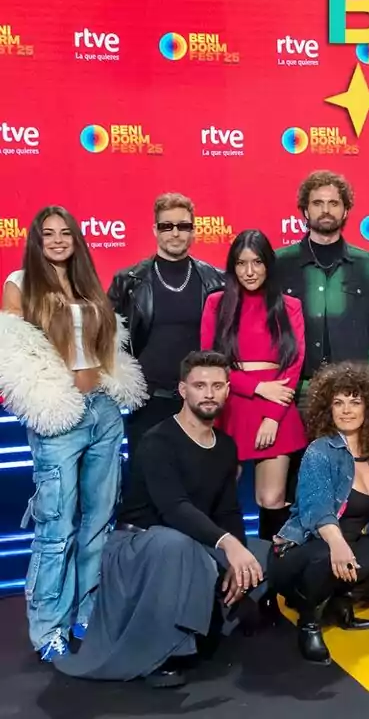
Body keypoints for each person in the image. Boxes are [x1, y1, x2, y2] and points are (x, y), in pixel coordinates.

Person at [55, 351, 270, 688]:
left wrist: (237, 557)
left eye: (217, 386)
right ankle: (160, 654)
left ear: (228, 390)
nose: (209, 393)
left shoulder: (226, 445)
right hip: (141, 546)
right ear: (183, 390)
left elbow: (228, 511)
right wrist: (227, 545)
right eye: (200, 385)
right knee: (177, 544)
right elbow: (174, 509)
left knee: (262, 554)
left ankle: (211, 614)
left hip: (193, 543)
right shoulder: (157, 441)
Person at [0, 206, 147, 661]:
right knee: (56, 528)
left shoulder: (87, 282)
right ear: (36, 239)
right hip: (58, 415)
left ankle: (89, 612)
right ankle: (48, 628)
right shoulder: (20, 283)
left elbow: (106, 346)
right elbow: (14, 351)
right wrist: (48, 397)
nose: (59, 240)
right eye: (49, 234)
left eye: (66, 233)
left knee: (98, 521)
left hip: (103, 411)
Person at [271, 362, 369, 665]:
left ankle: (340, 600)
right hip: (300, 553)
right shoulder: (320, 450)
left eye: (355, 402)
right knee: (324, 555)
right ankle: (310, 622)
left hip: (344, 550)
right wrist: (338, 544)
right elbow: (316, 510)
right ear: (327, 408)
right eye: (338, 403)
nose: (346, 410)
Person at [201, 229, 307, 545]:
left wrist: (273, 416)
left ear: (268, 265)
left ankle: (276, 584)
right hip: (231, 404)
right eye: (241, 263)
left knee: (272, 497)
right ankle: (228, 575)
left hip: (278, 406)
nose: (249, 271)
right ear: (232, 266)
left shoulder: (289, 306)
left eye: (257, 262)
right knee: (220, 495)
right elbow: (210, 364)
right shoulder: (217, 304)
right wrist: (259, 387)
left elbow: (294, 363)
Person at [107, 193, 225, 460]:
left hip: (200, 402)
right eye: (166, 226)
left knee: (199, 486)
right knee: (146, 488)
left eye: (183, 226)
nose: (175, 233)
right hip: (148, 402)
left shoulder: (217, 281)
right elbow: (108, 339)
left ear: (194, 230)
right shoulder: (128, 281)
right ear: (155, 230)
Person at [274, 170, 369, 397]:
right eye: (318, 203)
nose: (326, 210)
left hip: (355, 393)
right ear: (305, 210)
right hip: (295, 392)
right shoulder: (279, 264)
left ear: (345, 209)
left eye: (333, 203)